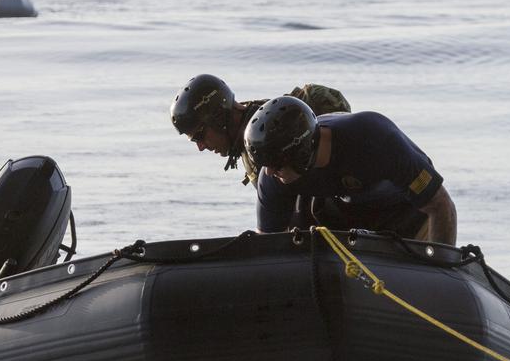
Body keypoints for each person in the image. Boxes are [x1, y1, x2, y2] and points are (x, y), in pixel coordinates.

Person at [243, 95, 457, 244]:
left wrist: (441, 265)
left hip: (406, 214)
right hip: (344, 218)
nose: (269, 172)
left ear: (299, 152)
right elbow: (267, 242)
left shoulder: (374, 138)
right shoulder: (273, 179)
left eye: (275, 164)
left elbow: (440, 204)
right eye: (264, 165)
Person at [170, 74, 350, 185]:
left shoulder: (272, 128)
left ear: (218, 118)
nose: (201, 147)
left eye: (200, 136)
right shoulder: (247, 138)